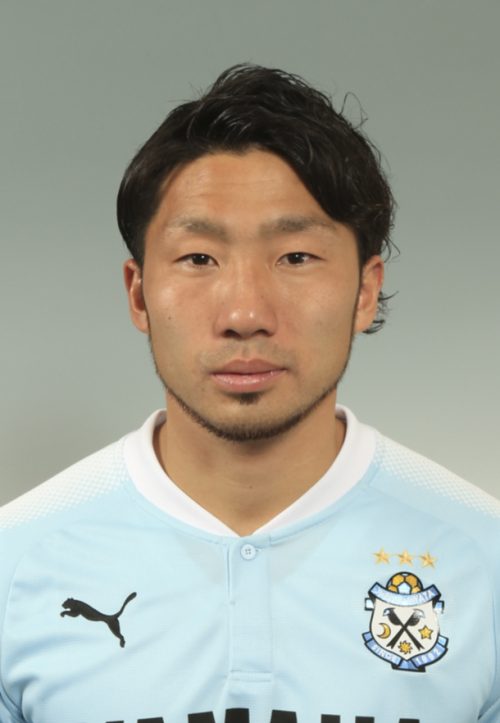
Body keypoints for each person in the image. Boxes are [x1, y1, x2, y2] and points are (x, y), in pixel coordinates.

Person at [0, 64, 498, 723]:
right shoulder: (15, 563)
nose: (244, 313)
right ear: (139, 294)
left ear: (365, 290)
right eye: (199, 258)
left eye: (295, 257)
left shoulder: (484, 560)